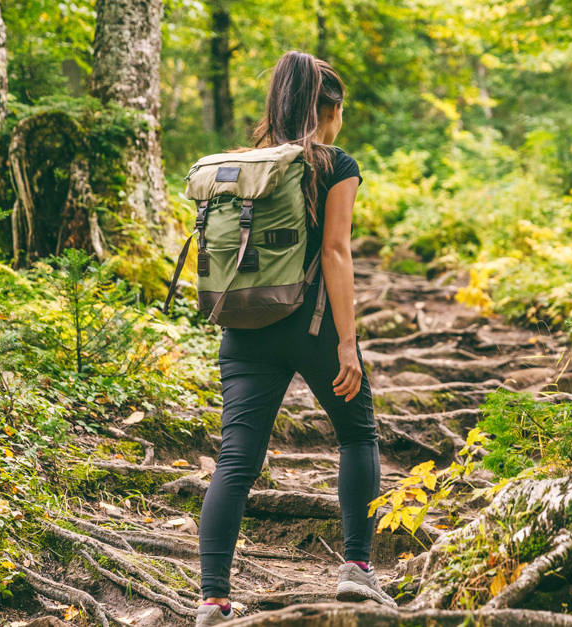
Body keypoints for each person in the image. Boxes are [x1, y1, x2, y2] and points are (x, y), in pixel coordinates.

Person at [195, 51, 393, 627]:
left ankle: (212, 599)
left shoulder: (244, 165)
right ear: (328, 109)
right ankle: (357, 568)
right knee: (358, 434)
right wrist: (347, 343)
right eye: (340, 111)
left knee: (236, 458)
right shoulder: (335, 164)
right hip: (312, 327)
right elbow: (335, 252)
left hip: (244, 327)